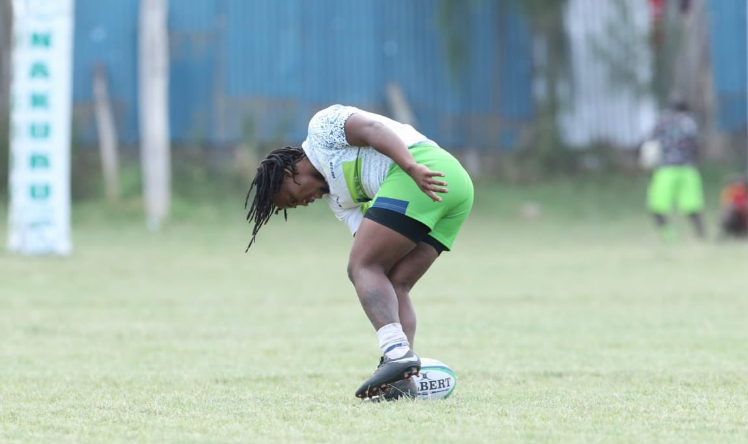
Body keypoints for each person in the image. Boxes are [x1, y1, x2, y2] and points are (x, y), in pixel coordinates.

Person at [244, 105, 474, 400]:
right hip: (454, 190)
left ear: (289, 173)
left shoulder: (321, 130)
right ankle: (401, 380)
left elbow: (374, 130)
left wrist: (411, 167)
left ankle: (397, 355)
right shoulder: (338, 201)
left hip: (423, 168)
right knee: (392, 280)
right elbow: (373, 241)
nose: (302, 204)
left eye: (291, 198)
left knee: (361, 266)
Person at [646, 100, 706, 241]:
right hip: (687, 169)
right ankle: (701, 236)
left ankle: (669, 236)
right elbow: (697, 145)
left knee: (657, 206)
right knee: (693, 206)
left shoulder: (662, 122)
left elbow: (650, 143)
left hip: (666, 169)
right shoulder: (690, 122)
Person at [718, 174, 748, 239]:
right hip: (735, 218)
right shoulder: (729, 192)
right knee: (729, 213)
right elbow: (726, 205)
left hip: (743, 218)